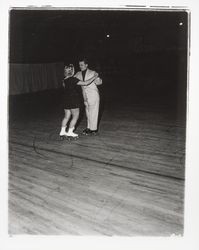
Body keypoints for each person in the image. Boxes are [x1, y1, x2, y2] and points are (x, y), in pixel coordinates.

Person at [59, 64, 98, 139]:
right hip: (73, 100)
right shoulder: (73, 79)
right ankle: (70, 132)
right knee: (75, 117)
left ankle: (62, 131)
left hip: (66, 100)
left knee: (66, 117)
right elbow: (86, 83)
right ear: (72, 71)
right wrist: (94, 77)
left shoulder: (64, 80)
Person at [75, 58, 102, 135]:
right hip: (85, 96)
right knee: (88, 112)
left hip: (93, 95)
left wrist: (98, 77)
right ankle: (89, 127)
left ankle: (94, 129)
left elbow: (99, 83)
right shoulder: (78, 74)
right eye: (79, 65)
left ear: (86, 65)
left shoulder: (93, 72)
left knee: (93, 112)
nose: (80, 66)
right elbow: (72, 80)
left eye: (82, 65)